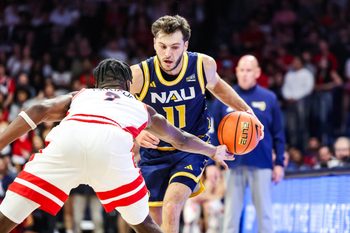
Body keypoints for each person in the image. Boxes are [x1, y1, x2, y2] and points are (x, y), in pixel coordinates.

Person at [0, 58, 234, 233]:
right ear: (128, 83)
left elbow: (38, 110)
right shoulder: (141, 107)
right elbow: (180, 139)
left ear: (97, 83)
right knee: (145, 225)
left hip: (66, 146)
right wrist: (213, 150)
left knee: (7, 217)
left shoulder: (83, 95)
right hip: (110, 154)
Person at [130, 15, 263, 233]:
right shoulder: (139, 74)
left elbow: (219, 87)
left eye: (174, 47)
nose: (167, 53)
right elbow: (117, 108)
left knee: (172, 206)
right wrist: (136, 133)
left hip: (192, 149)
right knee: (152, 222)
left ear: (185, 45)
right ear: (154, 43)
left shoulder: (202, 65)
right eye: (162, 46)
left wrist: (246, 111)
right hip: (155, 153)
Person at [210, 55, 285, 233]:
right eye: (241, 70)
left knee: (265, 214)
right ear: (236, 72)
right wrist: (211, 163)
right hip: (232, 164)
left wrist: (280, 163)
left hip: (262, 163)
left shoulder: (269, 98)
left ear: (257, 73)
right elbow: (212, 132)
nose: (244, 74)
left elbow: (278, 133)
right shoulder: (224, 97)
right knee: (231, 215)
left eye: (249, 70)